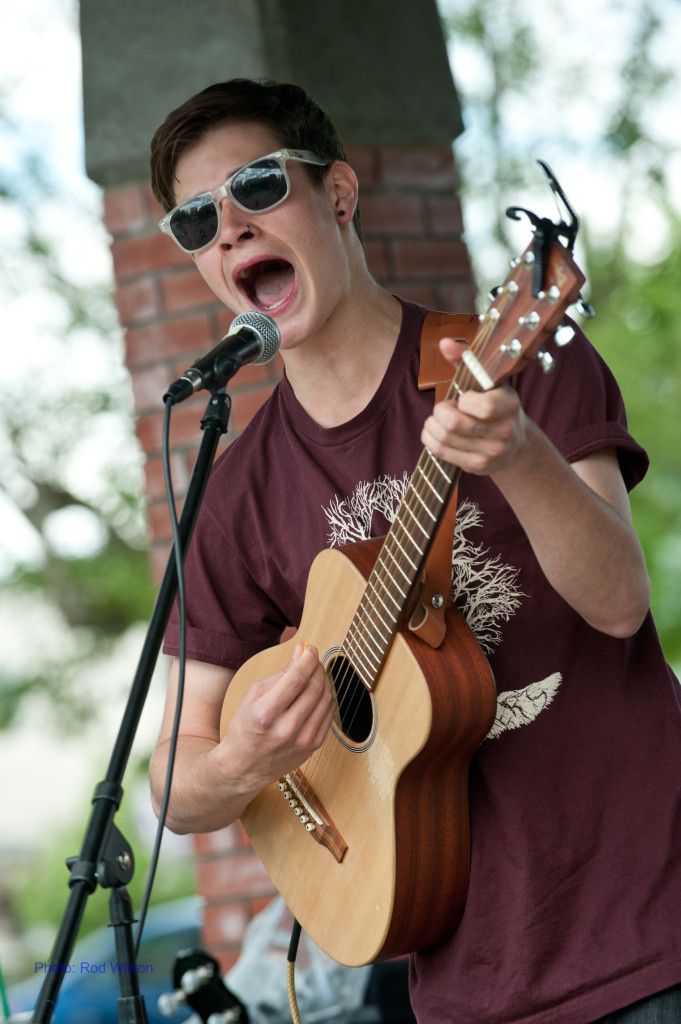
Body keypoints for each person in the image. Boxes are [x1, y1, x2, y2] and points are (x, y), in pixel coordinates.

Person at [148, 79, 681, 1024]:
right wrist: (243, 762)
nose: (228, 228)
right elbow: (174, 784)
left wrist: (518, 457)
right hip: (459, 983)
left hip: (649, 932)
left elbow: (619, 604)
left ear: (337, 193)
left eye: (257, 186)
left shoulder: (507, 364)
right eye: (197, 219)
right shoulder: (233, 495)